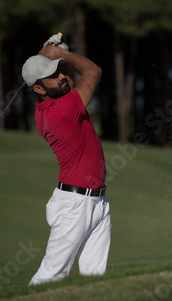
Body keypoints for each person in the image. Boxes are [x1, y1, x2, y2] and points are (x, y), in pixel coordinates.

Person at [21, 35, 110, 286]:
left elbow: (68, 80)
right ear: (38, 89)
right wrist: (64, 56)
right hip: (76, 205)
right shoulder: (63, 111)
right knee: (50, 276)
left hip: (96, 202)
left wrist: (60, 53)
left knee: (96, 280)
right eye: (53, 75)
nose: (61, 76)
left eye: (59, 71)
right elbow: (93, 71)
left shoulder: (48, 107)